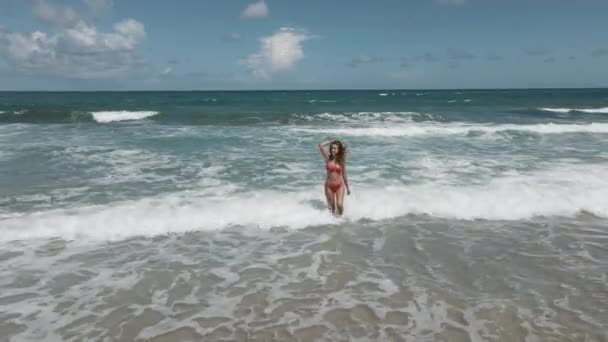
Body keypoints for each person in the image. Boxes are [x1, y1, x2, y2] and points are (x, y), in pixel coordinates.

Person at [319, 139, 351, 216]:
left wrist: (347, 187)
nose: (332, 150)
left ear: (338, 150)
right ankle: (334, 223)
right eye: (332, 148)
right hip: (329, 186)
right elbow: (321, 146)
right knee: (333, 207)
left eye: (335, 148)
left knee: (339, 205)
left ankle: (341, 219)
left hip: (340, 186)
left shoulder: (341, 161)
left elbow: (344, 175)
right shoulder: (328, 159)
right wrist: (331, 141)